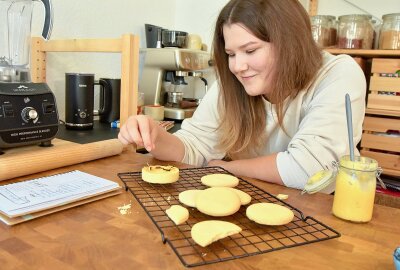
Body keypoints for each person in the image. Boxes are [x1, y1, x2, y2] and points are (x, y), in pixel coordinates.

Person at [118, 0, 366, 190]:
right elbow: (195, 147)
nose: (237, 66)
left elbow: (310, 169)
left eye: (250, 50)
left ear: (290, 43)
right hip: (249, 201)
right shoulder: (233, 85)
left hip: (318, 213)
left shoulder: (338, 74)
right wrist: (155, 136)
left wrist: (228, 168)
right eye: (231, 54)